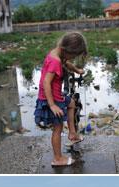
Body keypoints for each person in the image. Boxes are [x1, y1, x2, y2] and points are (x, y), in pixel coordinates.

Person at [34, 32, 87, 167]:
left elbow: (66, 63)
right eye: (73, 56)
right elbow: (46, 82)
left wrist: (76, 70)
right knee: (57, 128)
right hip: (50, 98)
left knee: (71, 103)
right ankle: (58, 158)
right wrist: (52, 105)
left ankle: (72, 134)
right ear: (67, 50)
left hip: (57, 96)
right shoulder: (55, 61)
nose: (73, 58)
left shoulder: (57, 53)